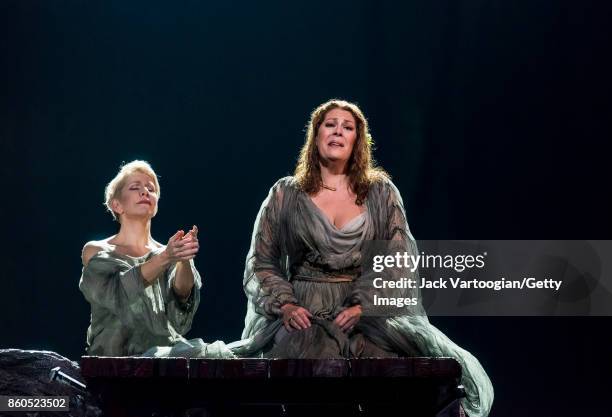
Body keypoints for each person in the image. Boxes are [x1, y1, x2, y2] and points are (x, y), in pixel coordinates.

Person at [229, 100, 493, 417]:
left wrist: (362, 305)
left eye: (347, 126)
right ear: (315, 135)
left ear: (358, 140)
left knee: (410, 374)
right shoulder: (286, 193)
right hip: (305, 311)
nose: (338, 131)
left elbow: (397, 259)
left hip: (365, 315)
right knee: (303, 370)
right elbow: (261, 261)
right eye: (330, 124)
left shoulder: (381, 193)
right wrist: (285, 305)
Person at [79, 160, 229, 357]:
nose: (145, 192)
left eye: (151, 189)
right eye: (135, 187)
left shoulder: (167, 252)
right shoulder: (97, 250)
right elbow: (118, 292)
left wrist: (184, 259)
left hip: (163, 360)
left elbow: (182, 300)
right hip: (113, 362)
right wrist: (167, 256)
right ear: (117, 204)